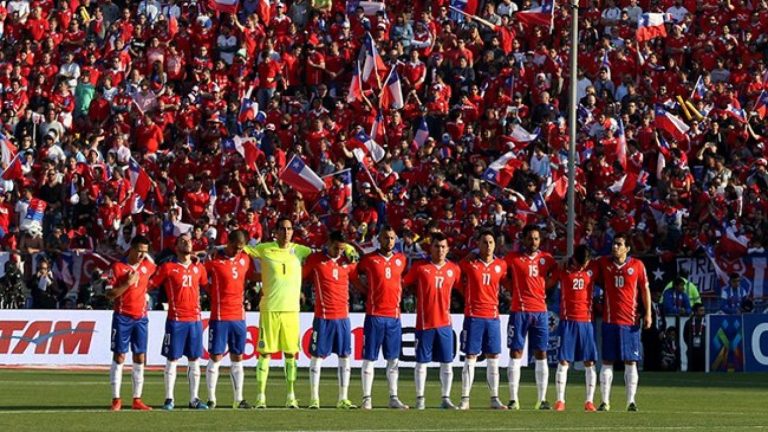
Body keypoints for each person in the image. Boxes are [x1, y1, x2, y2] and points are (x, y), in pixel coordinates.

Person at [244, 217, 312, 409]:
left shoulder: (301, 250)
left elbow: (324, 253)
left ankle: (291, 396)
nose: (286, 232)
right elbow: (241, 248)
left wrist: (347, 247)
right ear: (276, 231)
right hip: (270, 309)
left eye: (289, 228)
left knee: (290, 354)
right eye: (282, 228)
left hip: (291, 310)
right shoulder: (265, 249)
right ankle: (260, 397)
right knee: (264, 353)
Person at [350, 226, 409, 410]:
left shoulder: (401, 259)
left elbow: (403, 281)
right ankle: (367, 398)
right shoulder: (369, 260)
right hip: (375, 315)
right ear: (379, 239)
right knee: (370, 358)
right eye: (385, 238)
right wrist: (364, 290)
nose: (389, 241)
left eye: (391, 238)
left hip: (394, 317)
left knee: (393, 360)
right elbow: (353, 274)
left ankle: (393, 397)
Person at [149, 233, 209, 410]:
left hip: (195, 320)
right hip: (176, 320)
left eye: (189, 241)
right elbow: (151, 284)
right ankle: (169, 398)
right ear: (176, 247)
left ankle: (194, 399)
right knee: (172, 359)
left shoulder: (199, 268)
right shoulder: (168, 267)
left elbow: (207, 287)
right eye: (182, 241)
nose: (187, 243)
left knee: (194, 359)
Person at [592, 233, 652, 412]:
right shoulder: (603, 263)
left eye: (619, 244)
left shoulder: (637, 265)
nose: (615, 247)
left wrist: (648, 313)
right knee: (607, 361)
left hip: (630, 322)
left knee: (630, 361)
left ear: (627, 248)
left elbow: (645, 290)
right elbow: (585, 265)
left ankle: (631, 401)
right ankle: (604, 401)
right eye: (614, 244)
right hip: (610, 320)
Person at [403, 232, 461, 410]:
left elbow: (463, 289)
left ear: (448, 249)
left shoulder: (454, 269)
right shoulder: (420, 268)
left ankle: (446, 398)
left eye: (443, 247)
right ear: (430, 248)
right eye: (437, 246)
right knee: (421, 363)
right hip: (424, 324)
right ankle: (420, 399)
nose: (440, 250)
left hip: (445, 324)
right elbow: (403, 284)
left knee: (447, 363)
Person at [302, 230, 358, 409]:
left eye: (341, 249)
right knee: (317, 356)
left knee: (345, 356)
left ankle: (343, 398)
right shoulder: (316, 260)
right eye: (335, 248)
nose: (338, 252)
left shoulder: (347, 262)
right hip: (323, 317)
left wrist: (354, 254)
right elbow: (300, 276)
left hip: (343, 318)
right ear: (328, 243)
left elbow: (358, 276)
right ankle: (314, 398)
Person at [503, 224, 556, 410]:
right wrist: (512, 290)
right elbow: (502, 276)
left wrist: (544, 287)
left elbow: (556, 275)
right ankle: (513, 399)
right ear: (523, 239)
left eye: (536, 238)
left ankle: (542, 399)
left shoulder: (547, 259)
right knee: (516, 352)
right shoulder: (513, 258)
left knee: (541, 353)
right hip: (519, 311)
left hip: (540, 311)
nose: (533, 242)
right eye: (530, 238)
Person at [456, 229, 508, 410]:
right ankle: (465, 399)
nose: (488, 246)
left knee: (493, 357)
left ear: (495, 245)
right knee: (471, 356)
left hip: (493, 317)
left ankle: (494, 398)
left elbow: (507, 283)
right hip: (474, 316)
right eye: (484, 242)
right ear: (478, 245)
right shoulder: (470, 264)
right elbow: (456, 273)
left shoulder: (501, 265)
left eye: (491, 242)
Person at [203, 229, 255, 410]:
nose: (238, 251)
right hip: (220, 316)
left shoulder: (245, 259)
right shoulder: (214, 261)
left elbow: (251, 277)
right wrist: (212, 293)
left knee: (238, 357)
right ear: (229, 243)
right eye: (236, 247)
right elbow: (202, 279)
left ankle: (238, 399)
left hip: (239, 317)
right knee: (216, 356)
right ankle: (211, 399)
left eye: (241, 248)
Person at [105, 235, 156, 411]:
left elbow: (156, 265)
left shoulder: (147, 266)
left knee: (140, 357)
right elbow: (109, 294)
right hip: (122, 317)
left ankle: (137, 399)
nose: (142, 255)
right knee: (119, 356)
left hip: (141, 318)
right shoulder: (117, 267)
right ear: (131, 249)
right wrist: (127, 283)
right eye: (140, 251)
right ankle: (116, 399)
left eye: (145, 252)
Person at [553, 245, 599, 412]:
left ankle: (589, 401)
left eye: (585, 263)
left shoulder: (593, 269)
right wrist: (563, 260)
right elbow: (552, 267)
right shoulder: (564, 270)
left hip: (586, 321)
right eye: (580, 263)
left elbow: (605, 261)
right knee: (563, 361)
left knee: (589, 361)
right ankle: (560, 400)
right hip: (567, 321)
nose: (582, 266)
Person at [683, 303, 706, 372]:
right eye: (701, 310)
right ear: (695, 312)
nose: (703, 312)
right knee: (692, 369)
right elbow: (685, 335)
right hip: (692, 350)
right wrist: (689, 344)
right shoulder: (689, 322)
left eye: (703, 310)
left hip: (703, 350)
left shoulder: (706, 322)